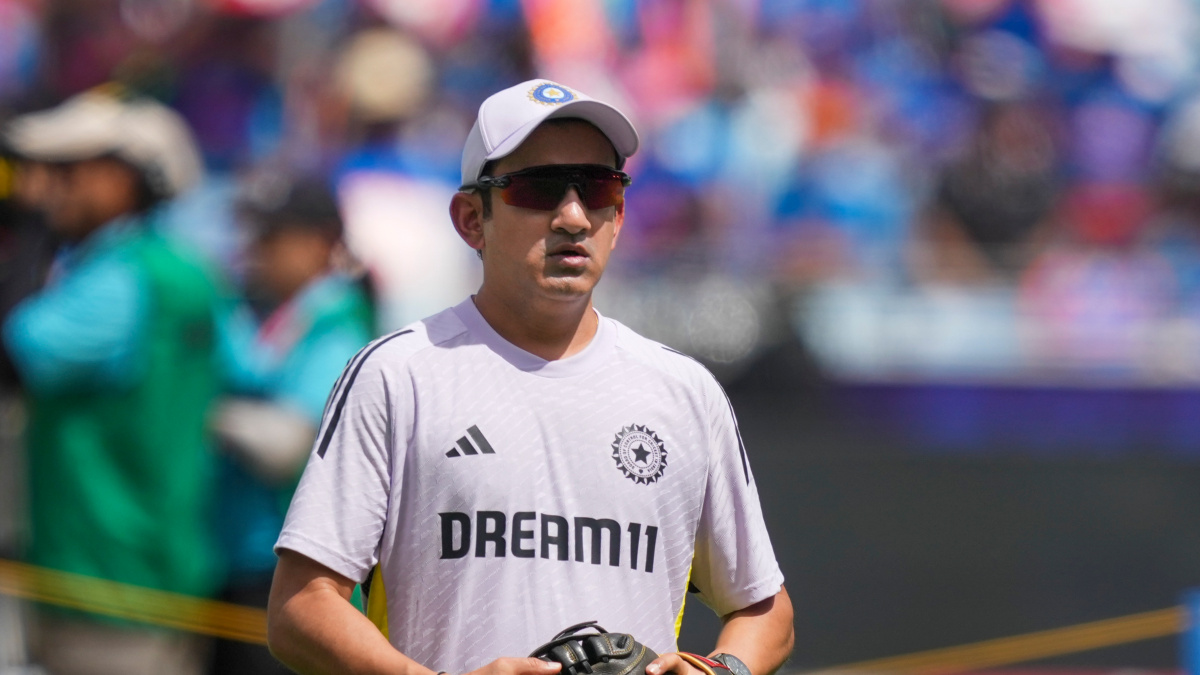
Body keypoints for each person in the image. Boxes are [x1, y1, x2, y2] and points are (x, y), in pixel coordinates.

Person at [267, 79, 795, 675]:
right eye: (539, 188)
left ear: (618, 215)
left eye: (598, 188)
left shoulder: (685, 392)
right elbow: (300, 605)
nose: (573, 215)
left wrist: (722, 671)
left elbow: (765, 609)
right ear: (472, 218)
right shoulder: (397, 374)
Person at [0, 87, 223, 675]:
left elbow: (21, 345)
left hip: (99, 575)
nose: (45, 186)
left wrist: (28, 239)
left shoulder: (113, 281)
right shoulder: (183, 270)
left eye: (68, 170)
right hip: (162, 565)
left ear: (126, 179)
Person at [209, 171, 376, 675]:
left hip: (289, 568)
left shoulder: (338, 324)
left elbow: (287, 444)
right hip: (242, 555)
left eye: (270, 237)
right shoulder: (282, 315)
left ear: (318, 242)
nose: (254, 250)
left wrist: (195, 412)